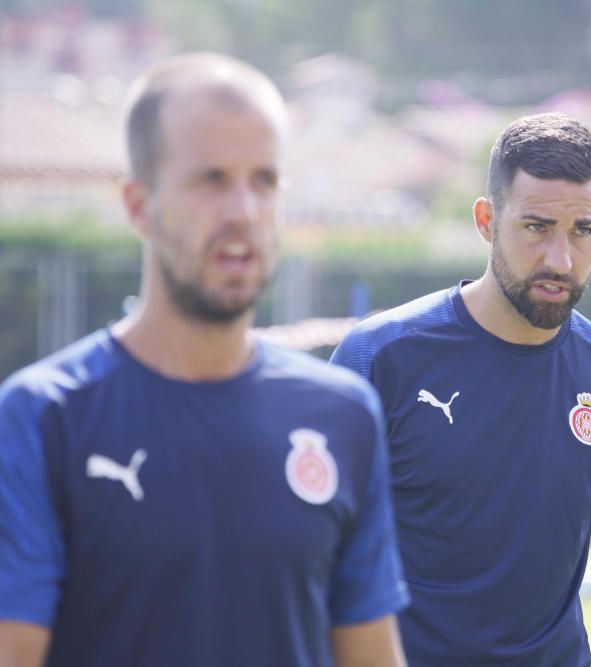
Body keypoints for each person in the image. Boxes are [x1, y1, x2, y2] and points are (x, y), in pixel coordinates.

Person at [0, 53, 409, 667]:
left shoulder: (343, 416)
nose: (243, 210)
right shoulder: (43, 416)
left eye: (264, 180)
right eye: (210, 179)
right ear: (138, 205)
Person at [331, 113, 591, 666]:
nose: (560, 259)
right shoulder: (379, 358)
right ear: (487, 220)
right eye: (537, 227)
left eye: (582, 231)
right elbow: (312, 557)